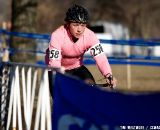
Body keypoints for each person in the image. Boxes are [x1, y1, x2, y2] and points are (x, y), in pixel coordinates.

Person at [45, 4, 117, 88]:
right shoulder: (57, 36)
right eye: (75, 25)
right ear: (68, 24)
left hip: (77, 68)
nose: (79, 29)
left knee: (91, 91)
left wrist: (108, 74)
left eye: (83, 25)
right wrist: (60, 76)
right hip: (57, 69)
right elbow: (54, 62)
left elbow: (101, 58)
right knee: (60, 96)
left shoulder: (90, 36)